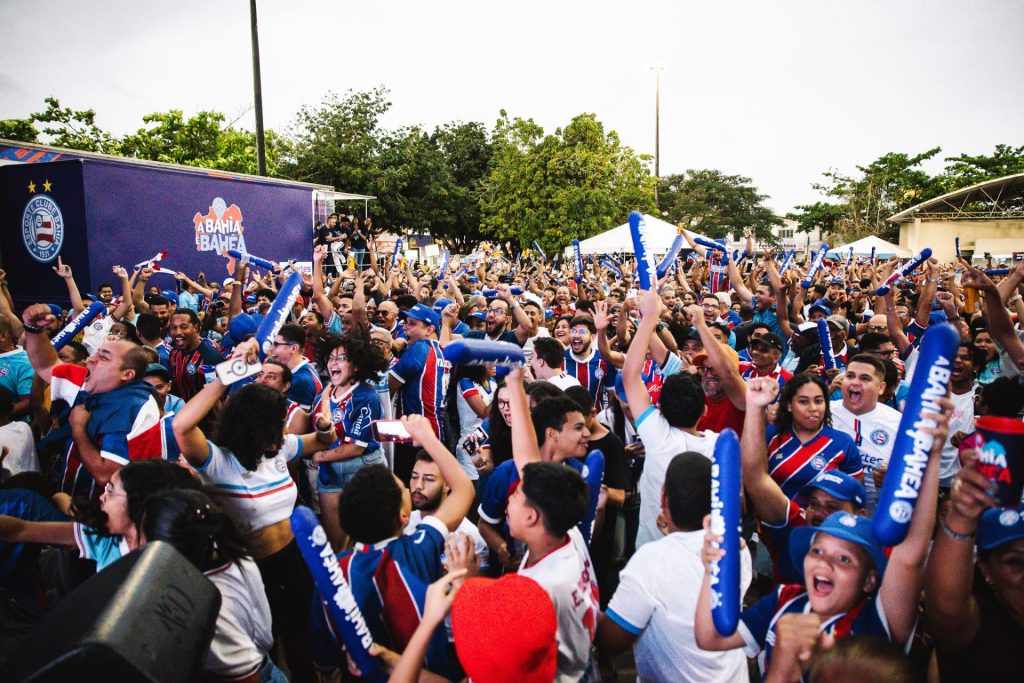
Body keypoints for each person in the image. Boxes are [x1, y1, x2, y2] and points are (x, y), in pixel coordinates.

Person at [173, 338, 341, 683]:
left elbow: (325, 441)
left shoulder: (277, 450)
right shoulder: (217, 462)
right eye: (276, 420)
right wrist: (229, 372)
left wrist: (324, 426)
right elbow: (181, 426)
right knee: (261, 647)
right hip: (253, 569)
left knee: (301, 640)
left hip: (295, 559)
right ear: (255, 424)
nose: (283, 426)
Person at [309, 414, 474, 679]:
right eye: (404, 488)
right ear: (403, 516)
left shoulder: (331, 574)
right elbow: (464, 490)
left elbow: (324, 663)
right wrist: (428, 438)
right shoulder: (417, 550)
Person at [596, 452, 752, 682]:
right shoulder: (736, 549)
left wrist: (577, 599)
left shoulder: (650, 562)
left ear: (663, 498)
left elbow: (611, 641)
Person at [504, 367, 600, 682]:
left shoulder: (538, 588)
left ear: (532, 516)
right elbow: (528, 462)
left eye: (516, 497)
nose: (510, 502)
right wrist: (515, 384)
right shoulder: (565, 530)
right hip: (584, 660)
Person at [140, 489, 287, 682]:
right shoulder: (235, 556)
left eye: (142, 535)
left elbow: (246, 676)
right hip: (266, 664)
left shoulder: (208, 603)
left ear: (164, 546)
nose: (140, 544)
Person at [21, 303, 163, 497]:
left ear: (127, 374)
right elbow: (46, 364)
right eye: (96, 352)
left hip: (105, 514)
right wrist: (34, 330)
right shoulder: (88, 381)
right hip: (70, 497)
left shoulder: (135, 406)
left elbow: (107, 475)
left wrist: (79, 429)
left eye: (103, 357)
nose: (91, 359)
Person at [624, 291, 717, 548]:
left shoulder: (656, 435)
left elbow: (630, 376)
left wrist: (648, 320)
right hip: (702, 556)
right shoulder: (720, 446)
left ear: (660, 409)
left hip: (649, 551)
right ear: (704, 412)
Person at [0, 460, 199, 571]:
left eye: (111, 492)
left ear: (140, 504)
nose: (102, 497)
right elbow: (21, 529)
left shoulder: (176, 562)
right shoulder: (103, 539)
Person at [925, 456, 1024, 678]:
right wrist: (962, 515)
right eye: (1016, 562)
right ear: (987, 569)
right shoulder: (980, 626)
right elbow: (946, 609)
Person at [309, 335, 388, 551]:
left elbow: (357, 446)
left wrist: (319, 456)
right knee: (337, 544)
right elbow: (322, 431)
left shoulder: (366, 396)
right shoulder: (324, 394)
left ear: (356, 366)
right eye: (331, 358)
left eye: (342, 358)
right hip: (330, 473)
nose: (333, 362)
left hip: (362, 467)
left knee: (368, 541)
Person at [766, 374, 863, 501]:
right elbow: (755, 482)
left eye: (818, 401)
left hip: (824, 520)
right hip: (776, 519)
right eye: (803, 401)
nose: (813, 408)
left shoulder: (843, 443)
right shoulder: (771, 435)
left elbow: (854, 495)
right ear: (789, 405)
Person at [828, 354, 901, 512]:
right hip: (825, 513)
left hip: (875, 520)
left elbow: (911, 474)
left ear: (881, 388)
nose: (855, 382)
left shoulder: (898, 423)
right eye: (850, 376)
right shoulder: (823, 413)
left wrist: (895, 474)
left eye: (865, 378)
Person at [389, 303, 451, 484]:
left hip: (413, 436)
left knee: (409, 488)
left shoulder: (418, 349)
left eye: (412, 323)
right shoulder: (442, 350)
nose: (404, 326)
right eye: (405, 322)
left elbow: (386, 386)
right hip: (437, 433)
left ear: (429, 329)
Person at [164, 309, 223, 402]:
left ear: (196, 328)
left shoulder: (210, 358)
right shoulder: (174, 353)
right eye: (173, 327)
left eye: (183, 327)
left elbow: (218, 397)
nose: (178, 332)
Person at [268, 323, 322, 411]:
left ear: (293, 348)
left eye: (276, 344)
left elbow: (295, 420)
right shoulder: (282, 365)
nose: (271, 348)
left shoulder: (303, 381)